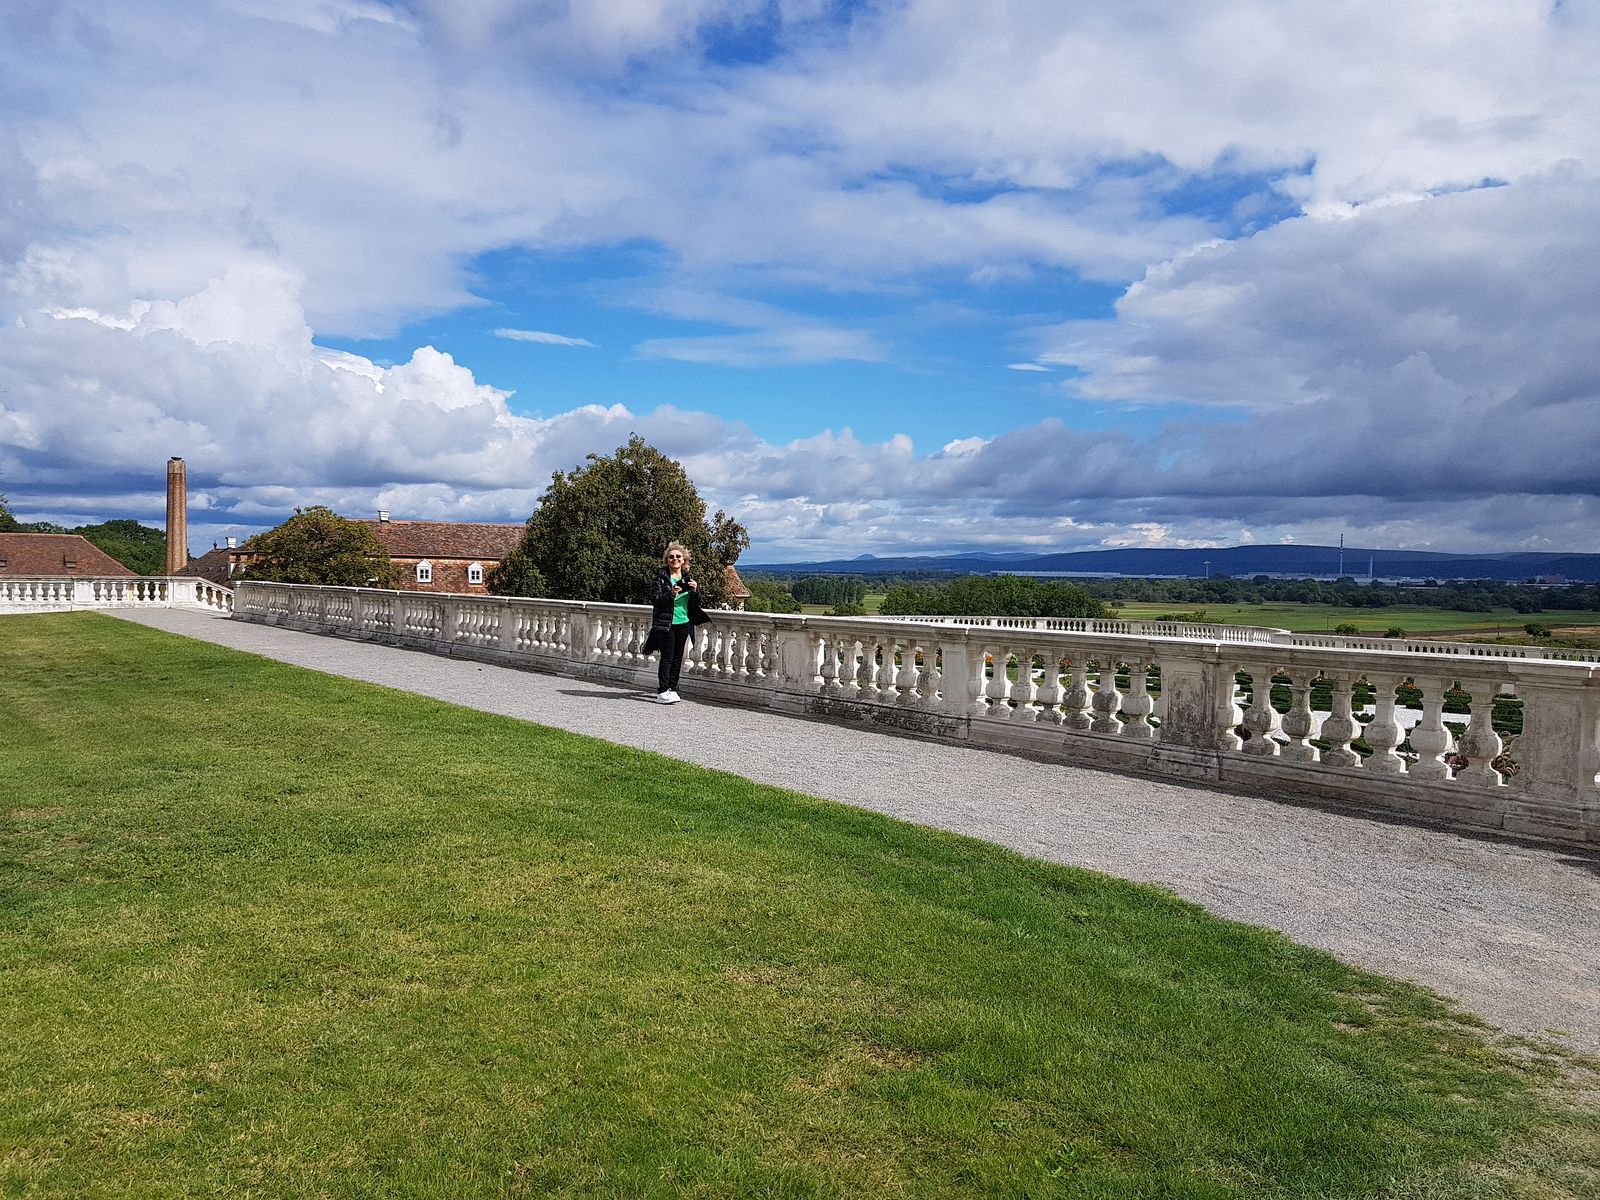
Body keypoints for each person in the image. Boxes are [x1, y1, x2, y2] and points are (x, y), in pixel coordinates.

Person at [642, 541, 710, 704]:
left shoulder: (687, 578)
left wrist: (695, 591)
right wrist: (671, 593)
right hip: (667, 623)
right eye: (671, 557)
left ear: (683, 559)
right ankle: (662, 690)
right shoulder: (661, 578)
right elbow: (656, 600)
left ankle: (672, 688)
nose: (675, 559)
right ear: (667, 560)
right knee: (667, 657)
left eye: (678, 557)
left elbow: (694, 604)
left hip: (684, 622)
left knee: (678, 657)